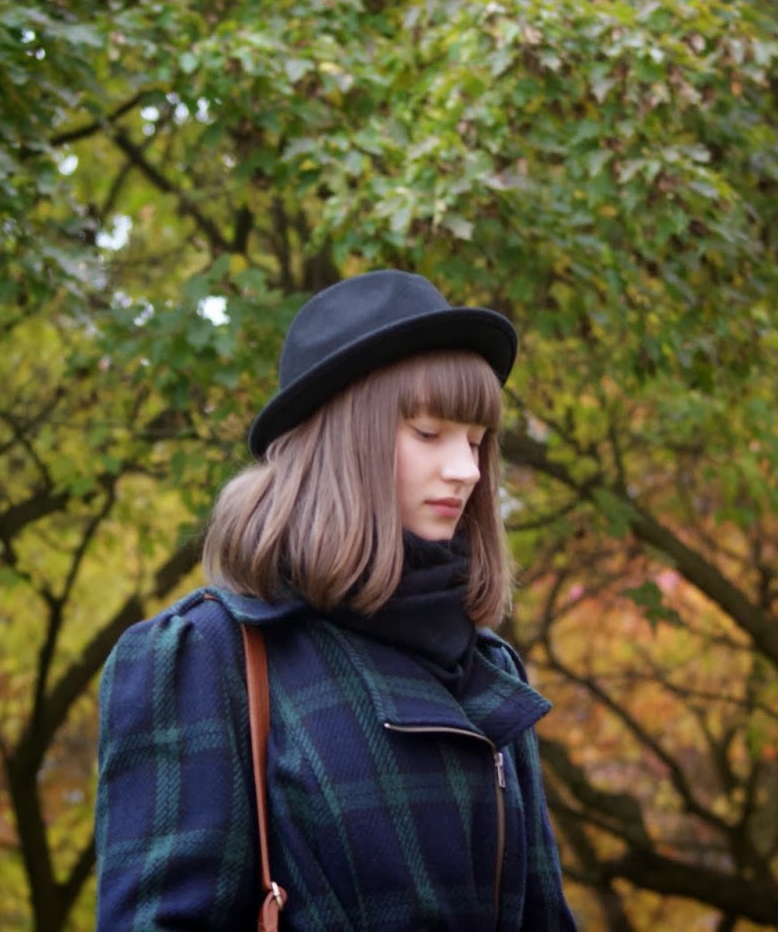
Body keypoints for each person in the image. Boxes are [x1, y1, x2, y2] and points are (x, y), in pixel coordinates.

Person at [95, 269, 577, 931]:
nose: (467, 470)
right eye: (429, 432)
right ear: (343, 443)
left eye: (474, 441)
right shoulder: (207, 656)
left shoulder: (488, 669)